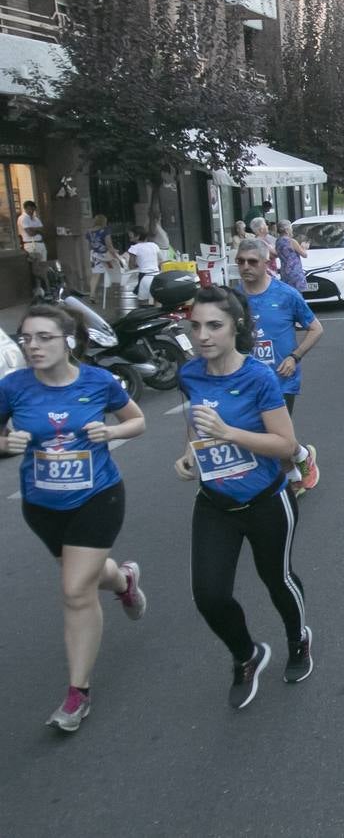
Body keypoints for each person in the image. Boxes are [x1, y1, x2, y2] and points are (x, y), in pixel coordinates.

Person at [2, 304, 148, 731]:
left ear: (67, 341)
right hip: (41, 504)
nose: (32, 345)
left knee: (74, 589)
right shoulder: (12, 388)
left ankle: (77, 694)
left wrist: (112, 432)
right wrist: (5, 443)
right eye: (26, 338)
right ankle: (123, 581)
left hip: (97, 496)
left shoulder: (99, 381)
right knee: (80, 574)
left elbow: (136, 422)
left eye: (43, 337)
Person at [174, 286, 312, 709]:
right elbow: (196, 426)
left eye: (213, 325)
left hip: (266, 500)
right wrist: (188, 456)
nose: (202, 335)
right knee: (209, 594)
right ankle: (246, 655)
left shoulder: (259, 377)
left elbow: (286, 446)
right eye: (195, 326)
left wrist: (229, 434)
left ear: (236, 327)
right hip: (214, 502)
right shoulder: (190, 375)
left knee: (276, 580)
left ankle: (298, 638)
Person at [235, 237, 323, 496]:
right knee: (262, 434)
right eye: (240, 262)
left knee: (272, 434)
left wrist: (294, 357)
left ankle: (292, 475)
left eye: (252, 262)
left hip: (281, 378)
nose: (246, 267)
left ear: (266, 263)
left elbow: (316, 329)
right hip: (246, 379)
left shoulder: (286, 294)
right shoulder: (232, 299)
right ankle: (300, 458)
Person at [127, 226, 164, 305]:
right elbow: (161, 260)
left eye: (131, 234)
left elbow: (131, 266)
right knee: (157, 300)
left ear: (137, 236)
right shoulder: (154, 245)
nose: (129, 235)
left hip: (144, 277)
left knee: (143, 302)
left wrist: (138, 265)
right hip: (156, 275)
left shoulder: (134, 248)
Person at [85, 215, 119, 298]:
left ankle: (92, 294)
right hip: (105, 254)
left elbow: (89, 245)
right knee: (114, 270)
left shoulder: (89, 231)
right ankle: (116, 291)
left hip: (94, 255)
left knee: (95, 275)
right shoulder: (105, 230)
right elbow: (109, 244)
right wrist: (115, 254)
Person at [272, 220, 309, 293]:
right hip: (294, 271)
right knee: (298, 294)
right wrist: (304, 247)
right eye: (290, 228)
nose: (291, 230)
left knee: (288, 293)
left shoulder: (278, 241)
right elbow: (304, 255)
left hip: (284, 271)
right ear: (286, 230)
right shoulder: (291, 241)